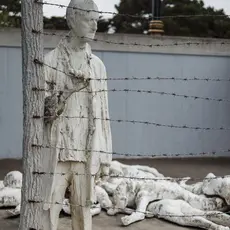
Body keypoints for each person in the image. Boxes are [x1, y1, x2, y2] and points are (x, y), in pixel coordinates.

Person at [41, 0, 112, 229]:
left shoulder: (98, 66)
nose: (94, 25)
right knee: (47, 212)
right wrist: (67, 91)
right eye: (88, 19)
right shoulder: (50, 62)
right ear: (72, 20)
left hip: (86, 154)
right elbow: (41, 112)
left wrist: (105, 156)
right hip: (57, 154)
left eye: (96, 20)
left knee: (83, 216)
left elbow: (103, 114)